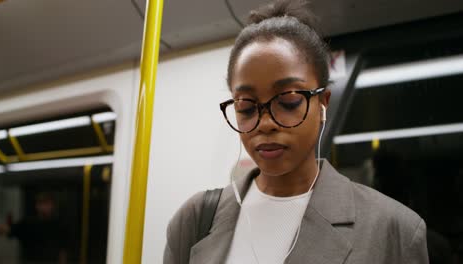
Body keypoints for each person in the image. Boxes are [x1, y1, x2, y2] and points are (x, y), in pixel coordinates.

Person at [163, 0, 429, 263]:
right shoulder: (195, 220)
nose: (266, 123)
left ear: (322, 103)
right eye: (246, 107)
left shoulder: (394, 231)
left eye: (288, 101)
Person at [0, 192, 67, 264]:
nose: (44, 207)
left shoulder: (58, 224)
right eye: (41, 203)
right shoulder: (28, 223)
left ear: (52, 205)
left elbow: (62, 249)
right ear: (37, 206)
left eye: (46, 203)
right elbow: (6, 229)